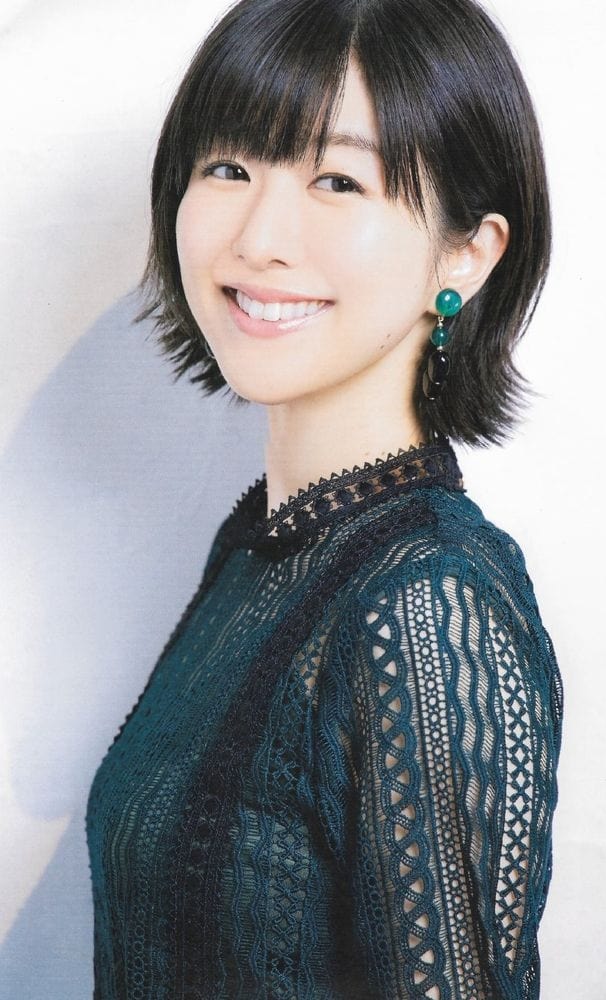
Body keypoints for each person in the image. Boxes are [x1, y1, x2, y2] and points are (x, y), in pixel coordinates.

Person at [85, 0, 564, 996]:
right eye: (227, 167)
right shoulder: (265, 545)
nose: (258, 236)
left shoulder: (422, 599)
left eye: (338, 180)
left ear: (465, 254)